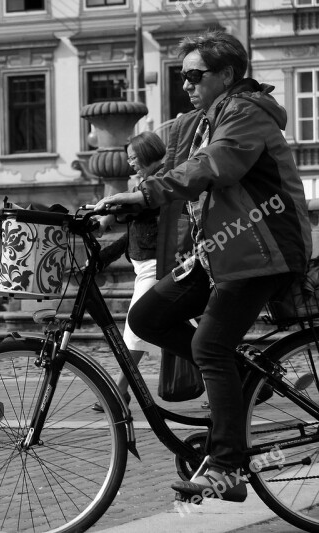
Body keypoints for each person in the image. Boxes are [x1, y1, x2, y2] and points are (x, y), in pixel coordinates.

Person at [95, 30, 311, 502]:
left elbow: (216, 166)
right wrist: (121, 195)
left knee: (209, 346)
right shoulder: (206, 118)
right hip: (222, 252)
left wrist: (147, 192)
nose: (187, 84)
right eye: (183, 76)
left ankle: (228, 469)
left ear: (227, 75)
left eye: (196, 75)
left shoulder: (246, 113)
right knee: (147, 316)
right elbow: (164, 147)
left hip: (264, 250)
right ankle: (242, 381)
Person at [91, 131, 166, 413]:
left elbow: (138, 212)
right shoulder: (147, 183)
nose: (131, 163)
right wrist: (104, 255)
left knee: (135, 326)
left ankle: (119, 391)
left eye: (133, 158)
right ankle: (239, 376)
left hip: (157, 266)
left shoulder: (160, 181)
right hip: (147, 265)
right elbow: (135, 230)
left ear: (146, 154)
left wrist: (109, 210)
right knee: (191, 334)